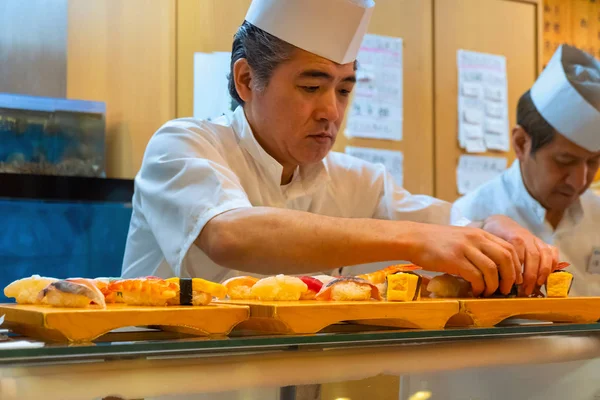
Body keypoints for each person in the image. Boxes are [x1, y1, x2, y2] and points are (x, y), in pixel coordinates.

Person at [122, 0, 557, 297]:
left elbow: (451, 225)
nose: (331, 111)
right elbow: (229, 233)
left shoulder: (359, 181)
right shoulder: (183, 146)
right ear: (245, 80)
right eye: (311, 86)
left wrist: (496, 228)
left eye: (344, 90)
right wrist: (416, 239)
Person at [454, 44, 600, 296]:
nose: (579, 180)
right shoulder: (472, 217)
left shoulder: (596, 213)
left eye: (593, 162)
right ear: (521, 143)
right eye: (564, 161)